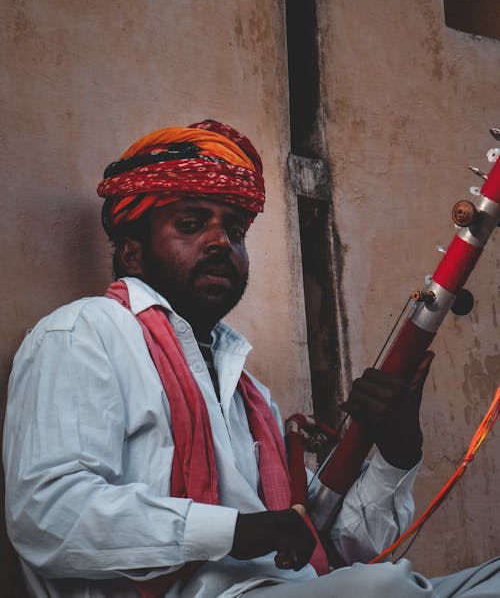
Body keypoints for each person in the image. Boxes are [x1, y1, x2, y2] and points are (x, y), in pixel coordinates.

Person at [3, 120, 499, 598]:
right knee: (386, 587)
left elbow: (325, 542)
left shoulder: (247, 390)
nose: (222, 242)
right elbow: (46, 515)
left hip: (296, 589)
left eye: (236, 232)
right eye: (192, 224)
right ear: (132, 254)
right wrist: (236, 531)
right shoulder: (83, 333)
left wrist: (397, 455)